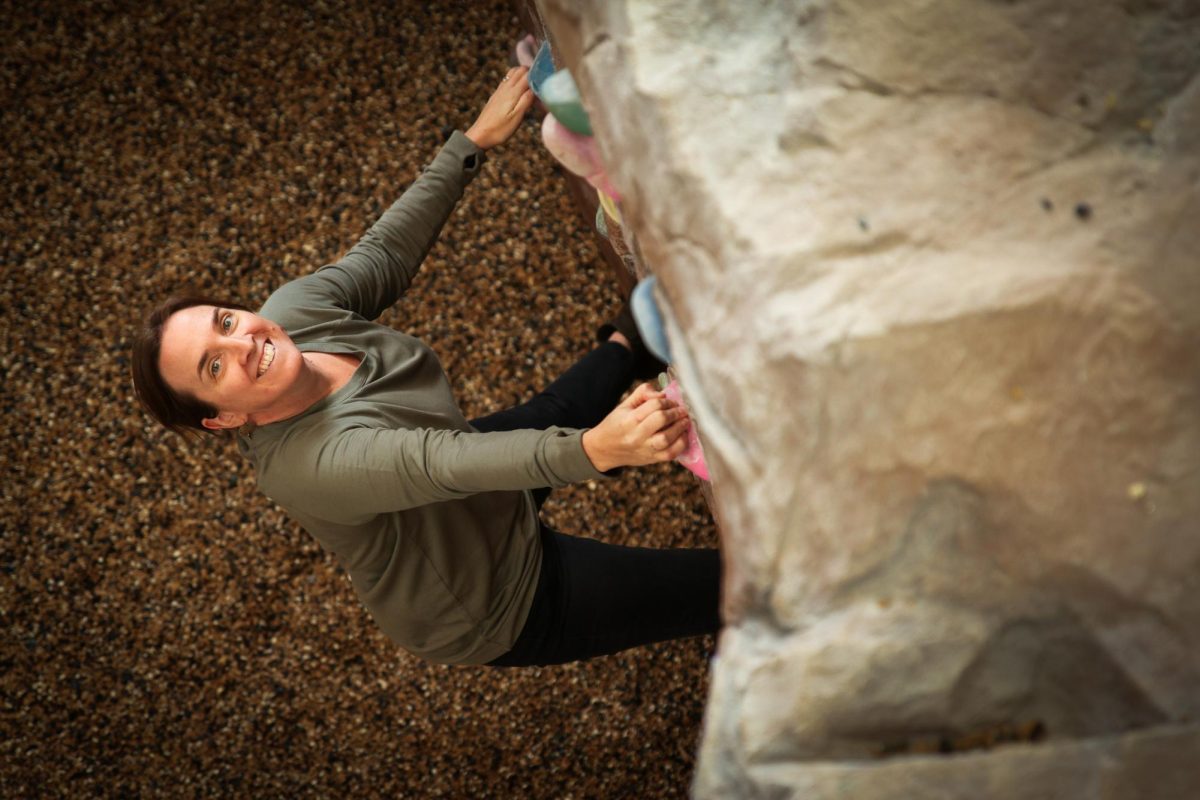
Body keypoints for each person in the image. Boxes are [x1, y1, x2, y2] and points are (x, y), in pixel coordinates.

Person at [131, 66, 721, 666]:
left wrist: (472, 143)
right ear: (224, 418)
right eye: (212, 368)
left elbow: (384, 254)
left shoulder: (292, 312)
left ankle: (632, 339)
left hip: (461, 482)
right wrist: (596, 452)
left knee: (553, 413)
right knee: (727, 589)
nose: (244, 342)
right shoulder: (310, 467)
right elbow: (441, 463)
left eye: (224, 321)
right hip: (495, 599)